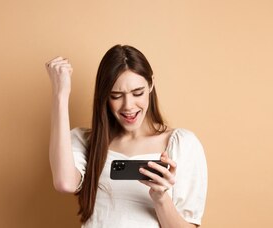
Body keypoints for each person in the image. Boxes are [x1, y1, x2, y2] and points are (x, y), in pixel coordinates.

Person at [45, 44, 208, 228]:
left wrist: (160, 197)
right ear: (104, 96)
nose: (128, 106)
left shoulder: (181, 144)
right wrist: (60, 94)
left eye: (137, 93)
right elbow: (64, 183)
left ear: (151, 84)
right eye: (116, 96)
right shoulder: (87, 141)